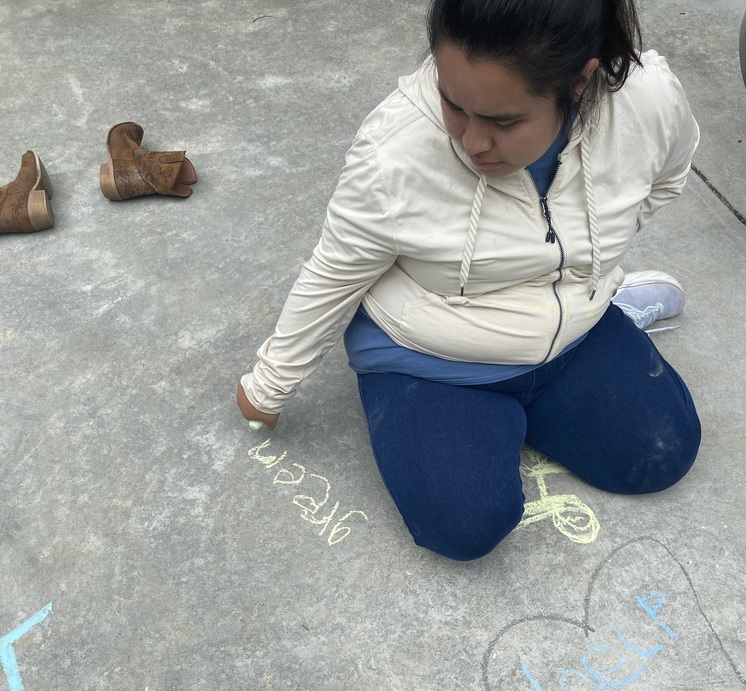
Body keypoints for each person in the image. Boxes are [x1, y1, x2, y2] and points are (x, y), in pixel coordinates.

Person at [237, 0, 701, 561]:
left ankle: (613, 304)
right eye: (453, 103)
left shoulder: (647, 101)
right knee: (465, 525)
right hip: (434, 355)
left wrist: (589, 266)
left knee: (661, 454)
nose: (472, 142)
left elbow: (666, 176)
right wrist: (269, 384)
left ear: (580, 80)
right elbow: (334, 273)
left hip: (573, 332)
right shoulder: (394, 155)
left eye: (503, 122)